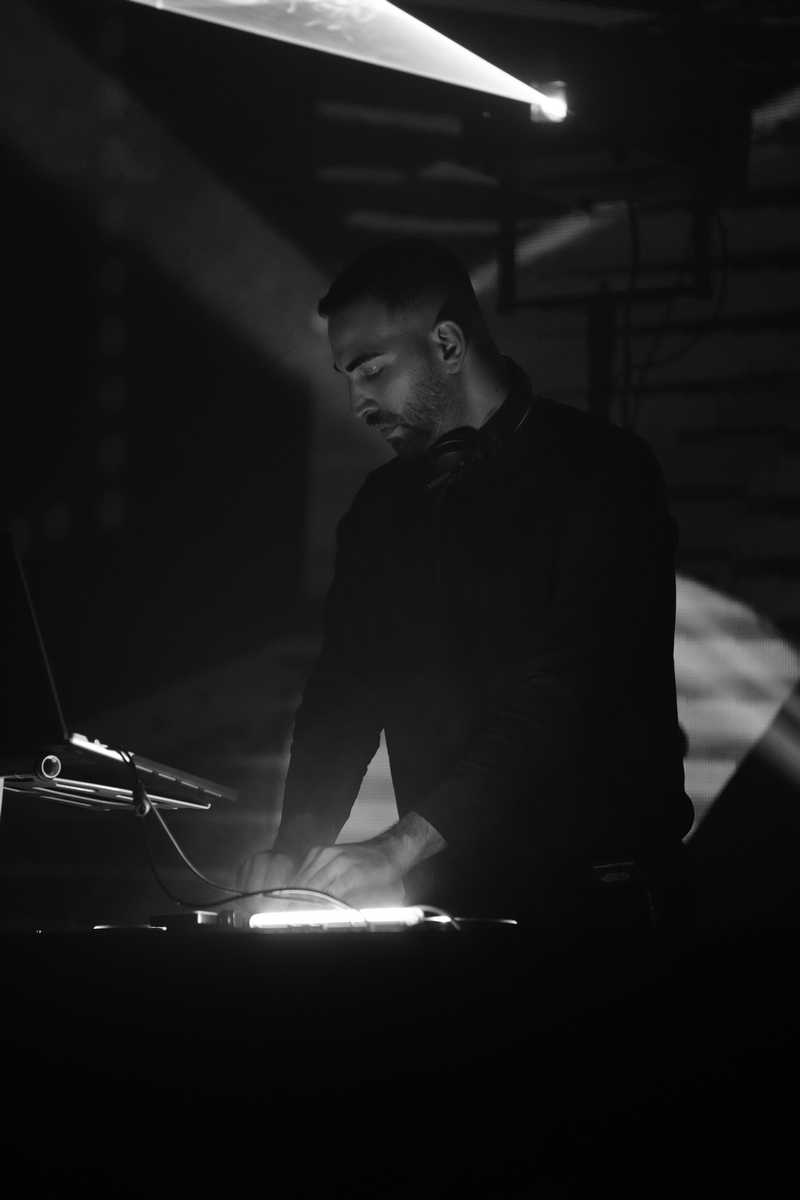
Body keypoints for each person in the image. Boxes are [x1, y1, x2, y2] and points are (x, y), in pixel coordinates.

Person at [237, 238, 696, 927]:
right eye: (347, 377)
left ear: (448, 344)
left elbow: (563, 698)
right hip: (453, 904)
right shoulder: (382, 510)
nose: (357, 401)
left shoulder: (605, 475)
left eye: (371, 369)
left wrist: (398, 845)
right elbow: (343, 695)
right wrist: (294, 844)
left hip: (604, 901)